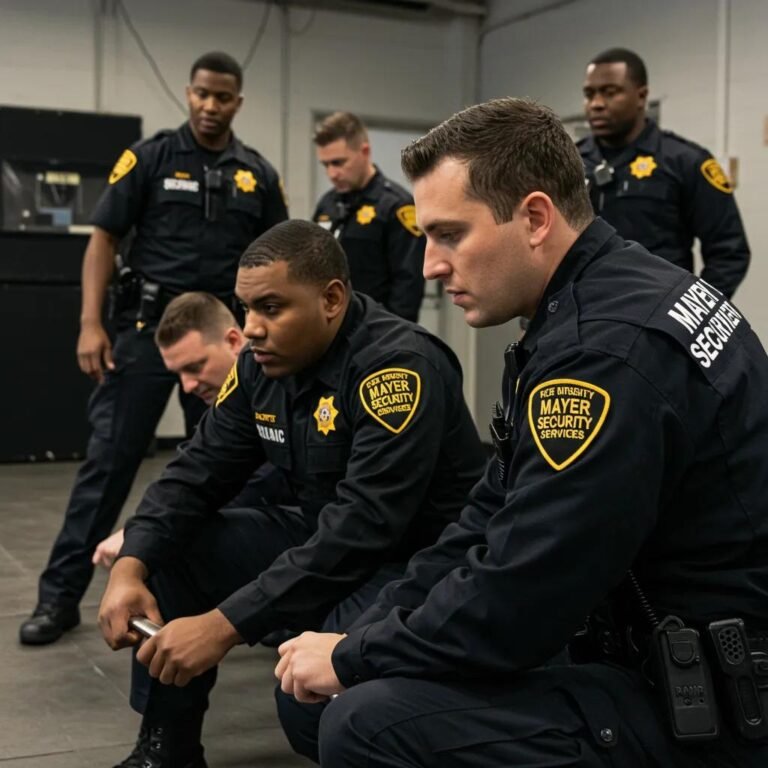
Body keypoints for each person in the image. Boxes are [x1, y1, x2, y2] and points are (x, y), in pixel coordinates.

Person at [275, 98, 768, 768]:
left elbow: (526, 591)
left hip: (709, 698)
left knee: (365, 723)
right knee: (320, 690)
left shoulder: (602, 352)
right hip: (647, 635)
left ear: (535, 218)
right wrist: (367, 633)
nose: (430, 265)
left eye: (450, 235)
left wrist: (357, 655)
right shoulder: (603, 298)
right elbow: (492, 515)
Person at [98, 220, 486, 768]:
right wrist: (130, 565)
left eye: (271, 308)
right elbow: (196, 470)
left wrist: (223, 625)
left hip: (412, 560)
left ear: (331, 299)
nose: (251, 329)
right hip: (323, 535)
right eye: (246, 308)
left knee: (308, 698)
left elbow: (363, 527)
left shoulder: (396, 368)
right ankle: (168, 749)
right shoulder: (261, 367)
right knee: (171, 552)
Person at [19, 51, 288, 645]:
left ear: (238, 102)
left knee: (234, 468)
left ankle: (238, 604)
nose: (210, 106)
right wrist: (90, 324)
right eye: (201, 94)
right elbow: (103, 238)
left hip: (219, 340)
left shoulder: (257, 174)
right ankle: (58, 598)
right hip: (147, 336)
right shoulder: (150, 158)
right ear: (188, 93)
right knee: (108, 466)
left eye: (222, 97)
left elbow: (279, 257)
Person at [92, 291, 246, 570]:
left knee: (180, 542)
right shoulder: (229, 406)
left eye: (195, 367)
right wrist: (143, 532)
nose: (187, 386)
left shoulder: (273, 385)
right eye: (179, 373)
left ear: (234, 341)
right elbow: (192, 472)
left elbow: (259, 487)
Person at [578, 47, 749, 298]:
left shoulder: (685, 161)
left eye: (610, 92)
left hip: (654, 309)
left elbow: (730, 252)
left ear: (641, 96)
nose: (596, 104)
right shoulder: (570, 162)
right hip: (585, 308)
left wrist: (692, 310)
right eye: (589, 94)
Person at [313, 111, 425, 321]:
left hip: (376, 327)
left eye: (338, 163)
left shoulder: (396, 206)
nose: (331, 174)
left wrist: (391, 334)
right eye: (326, 165)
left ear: (364, 151)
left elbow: (408, 286)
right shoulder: (327, 204)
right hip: (330, 325)